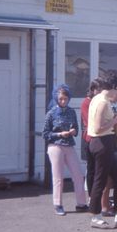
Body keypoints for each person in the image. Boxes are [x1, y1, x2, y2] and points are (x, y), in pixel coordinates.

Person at [87, 72, 117, 229]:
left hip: (104, 143)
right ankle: (95, 216)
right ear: (112, 88)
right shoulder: (102, 102)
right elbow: (98, 128)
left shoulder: (98, 99)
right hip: (102, 143)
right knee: (100, 180)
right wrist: (116, 120)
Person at [43, 84, 88, 216]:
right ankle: (58, 204)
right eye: (61, 99)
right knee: (58, 177)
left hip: (68, 145)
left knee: (78, 175)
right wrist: (59, 134)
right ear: (57, 98)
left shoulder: (71, 111)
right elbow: (45, 133)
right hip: (55, 146)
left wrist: (73, 131)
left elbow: (76, 129)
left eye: (66, 99)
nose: (63, 101)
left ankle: (81, 203)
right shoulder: (51, 113)